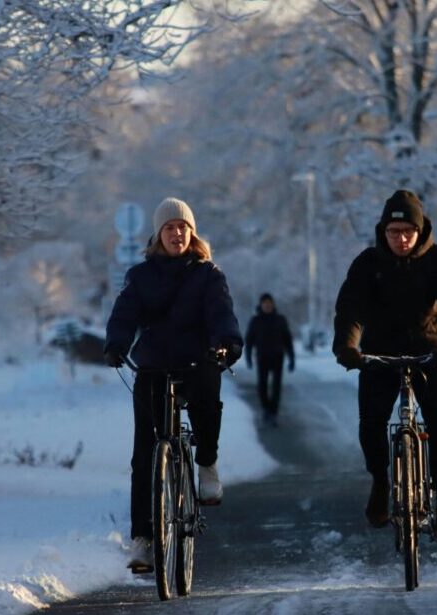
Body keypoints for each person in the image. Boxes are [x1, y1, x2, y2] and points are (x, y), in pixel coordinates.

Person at [103, 197, 243, 569]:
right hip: (153, 365)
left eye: (182, 227)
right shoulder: (141, 276)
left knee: (207, 401)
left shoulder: (208, 274)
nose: (176, 233)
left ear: (192, 233)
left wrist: (226, 345)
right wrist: (116, 345)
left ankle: (207, 462)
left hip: (198, 359)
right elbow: (124, 315)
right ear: (158, 234)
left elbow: (221, 315)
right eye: (169, 227)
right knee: (143, 453)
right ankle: (143, 538)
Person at [332, 189, 437, 541]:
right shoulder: (368, 263)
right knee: (371, 421)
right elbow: (350, 309)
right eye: (394, 232)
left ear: (420, 230)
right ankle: (381, 482)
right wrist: (348, 347)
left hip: (431, 352)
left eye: (407, 232)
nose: (401, 239)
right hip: (380, 354)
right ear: (383, 232)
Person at [244, 292, 295, 426]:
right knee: (262, 385)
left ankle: (273, 412)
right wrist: (248, 357)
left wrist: (291, 358)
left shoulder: (280, 319)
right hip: (262, 357)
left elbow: (287, 339)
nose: (267, 306)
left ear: (273, 304)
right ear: (261, 305)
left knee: (277, 386)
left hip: (278, 356)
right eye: (265, 303)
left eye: (269, 303)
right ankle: (266, 409)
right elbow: (249, 340)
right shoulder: (256, 321)